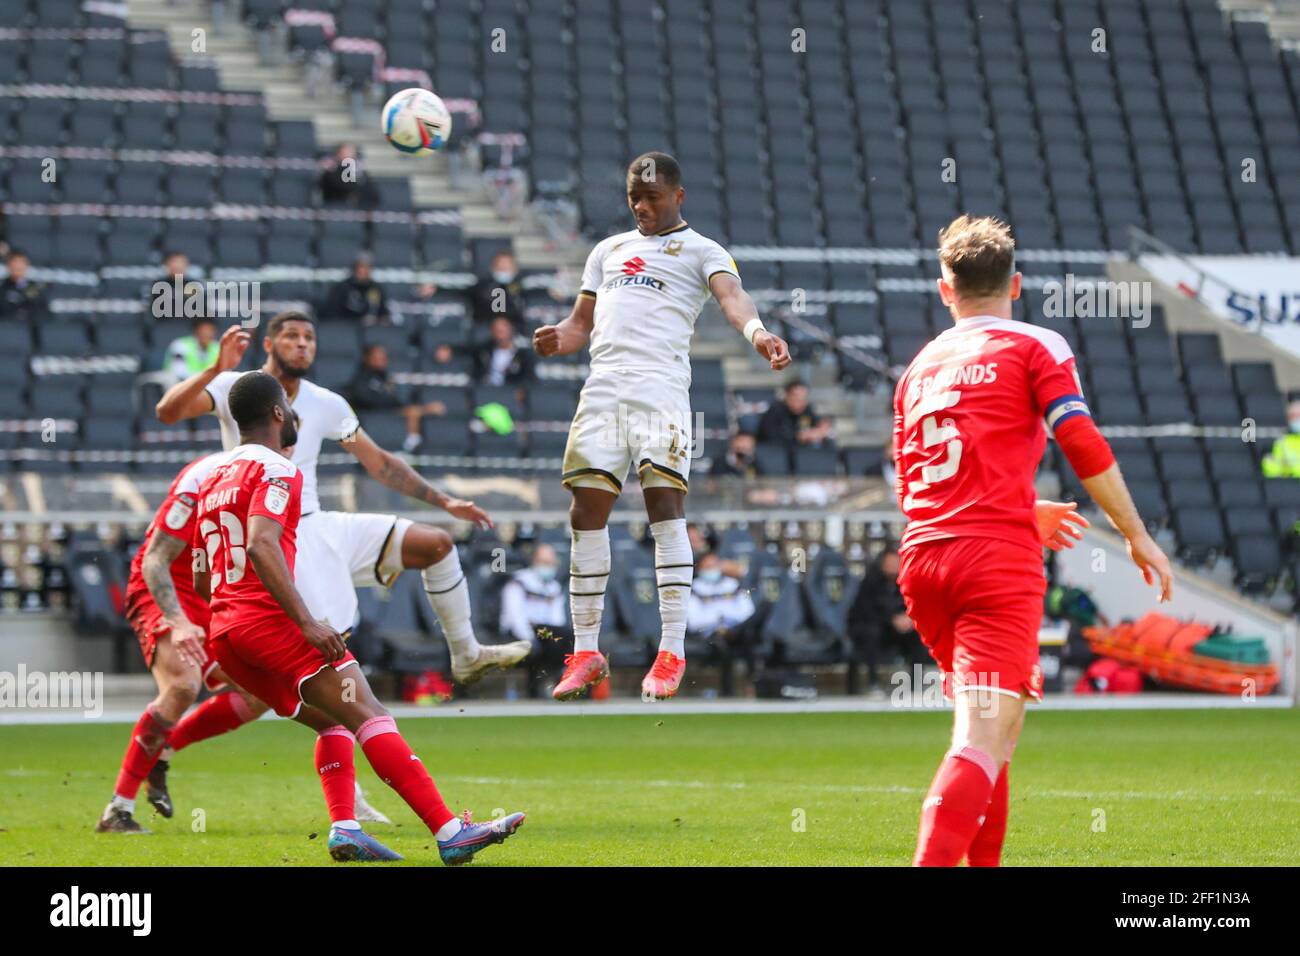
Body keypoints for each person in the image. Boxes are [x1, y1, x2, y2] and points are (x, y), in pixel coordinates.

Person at [893, 214, 1172, 867]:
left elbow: (917, 476)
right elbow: (1077, 437)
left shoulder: (920, 367)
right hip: (993, 563)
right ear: (1015, 285)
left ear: (945, 290)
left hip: (926, 559)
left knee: (1003, 734)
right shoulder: (1033, 345)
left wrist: (1018, 505)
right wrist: (1135, 533)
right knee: (981, 737)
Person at [191, 371, 524, 864]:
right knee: (370, 713)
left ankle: (346, 827)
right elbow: (263, 544)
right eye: (287, 404)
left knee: (334, 723)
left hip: (226, 633)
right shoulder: (279, 471)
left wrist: (225, 628)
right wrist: (305, 622)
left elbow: (201, 577)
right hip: (268, 625)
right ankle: (451, 832)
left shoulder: (211, 478)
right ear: (279, 413)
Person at [532, 151, 791, 701]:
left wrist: (759, 333)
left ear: (678, 196)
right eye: (634, 199)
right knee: (585, 509)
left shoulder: (703, 250)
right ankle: (585, 651)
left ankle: (672, 647)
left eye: (652, 198)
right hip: (603, 386)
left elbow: (732, 297)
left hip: (661, 387)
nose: (642, 207)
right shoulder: (607, 251)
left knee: (663, 507)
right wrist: (559, 338)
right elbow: (581, 325)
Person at [154, 311, 531, 686]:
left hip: (317, 522)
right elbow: (168, 411)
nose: (302, 344)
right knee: (325, 671)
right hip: (276, 535)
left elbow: (379, 463)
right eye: (291, 336)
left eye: (309, 338)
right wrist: (216, 367)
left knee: (437, 544)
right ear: (268, 344)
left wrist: (445, 502)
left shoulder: (326, 403)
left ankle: (466, 654)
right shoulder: (235, 388)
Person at [95, 450, 391, 844]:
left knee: (258, 696)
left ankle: (162, 752)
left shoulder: (269, 475)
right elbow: (154, 561)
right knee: (183, 684)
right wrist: (179, 622)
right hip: (168, 591)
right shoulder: (201, 476)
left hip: (219, 594)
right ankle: (118, 809)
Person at [845, 545, 924, 695]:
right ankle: (873, 683)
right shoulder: (869, 583)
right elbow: (865, 611)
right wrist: (891, 619)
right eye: (890, 563)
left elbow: (916, 603)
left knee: (917, 636)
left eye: (896, 563)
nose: (893, 567)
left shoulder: (907, 581)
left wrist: (908, 618)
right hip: (873, 628)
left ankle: (917, 684)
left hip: (898, 630)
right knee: (871, 634)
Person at [342, 343, 447, 451]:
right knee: (413, 411)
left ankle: (414, 444)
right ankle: (411, 446)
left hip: (388, 409)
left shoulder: (384, 377)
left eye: (383, 357)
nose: (382, 360)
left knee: (416, 410)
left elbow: (394, 399)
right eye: (377, 357)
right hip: (372, 412)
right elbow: (364, 398)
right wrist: (387, 401)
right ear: (368, 358)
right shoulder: (361, 378)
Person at [498, 543, 570, 697]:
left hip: (546, 633)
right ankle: (538, 686)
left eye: (551, 563)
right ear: (534, 561)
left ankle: (556, 682)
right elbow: (515, 616)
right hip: (520, 631)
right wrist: (530, 639)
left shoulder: (554, 587)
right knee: (545, 642)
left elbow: (557, 620)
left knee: (564, 637)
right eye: (544, 562)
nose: (548, 567)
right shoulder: (518, 582)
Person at [686, 550, 756, 696]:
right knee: (721, 643)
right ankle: (727, 690)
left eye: (715, 565)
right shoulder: (695, 588)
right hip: (709, 633)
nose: (713, 569)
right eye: (708, 566)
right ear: (700, 569)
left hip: (736, 630)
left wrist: (729, 622)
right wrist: (719, 621)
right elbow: (694, 621)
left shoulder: (732, 585)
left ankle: (753, 683)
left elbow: (748, 611)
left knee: (750, 636)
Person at [756, 381, 833, 450]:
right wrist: (798, 437)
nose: (801, 401)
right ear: (786, 395)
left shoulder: (806, 410)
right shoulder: (774, 411)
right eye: (796, 397)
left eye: (804, 398)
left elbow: (818, 424)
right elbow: (772, 439)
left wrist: (821, 429)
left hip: (801, 455)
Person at [322, 254, 389, 324]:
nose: (364, 271)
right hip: (346, 328)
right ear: (354, 269)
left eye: (368, 268)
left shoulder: (376, 289)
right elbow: (333, 314)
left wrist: (380, 320)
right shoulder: (341, 288)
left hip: (371, 330)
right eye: (361, 267)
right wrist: (358, 320)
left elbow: (383, 314)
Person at [468, 250, 527, 329]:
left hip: (515, 329)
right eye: (500, 267)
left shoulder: (523, 288)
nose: (503, 270)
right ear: (492, 268)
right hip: (485, 328)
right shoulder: (481, 287)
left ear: (515, 269)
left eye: (506, 267)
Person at [473, 315, 534, 386]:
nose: (500, 335)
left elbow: (529, 379)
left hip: (511, 392)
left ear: (511, 330)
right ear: (492, 333)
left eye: (502, 331)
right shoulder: (484, 353)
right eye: (497, 331)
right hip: (488, 391)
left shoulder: (523, 355)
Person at [319, 142, 379, 208]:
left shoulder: (360, 173)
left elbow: (372, 194)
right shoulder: (331, 172)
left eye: (352, 153)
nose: (350, 156)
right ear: (338, 154)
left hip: (357, 210)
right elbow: (343, 188)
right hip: (335, 208)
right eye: (345, 153)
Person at [163, 317, 220, 382]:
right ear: (196, 330)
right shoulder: (180, 346)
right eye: (204, 329)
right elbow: (179, 373)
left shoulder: (218, 348)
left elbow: (225, 373)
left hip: (208, 387)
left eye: (211, 330)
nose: (208, 333)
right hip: (181, 387)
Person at [0, 249, 49, 322]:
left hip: (30, 328)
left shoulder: (36, 288)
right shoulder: (2, 287)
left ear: (27, 265)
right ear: (8, 265)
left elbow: (43, 313)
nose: (17, 266)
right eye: (14, 262)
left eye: (21, 262)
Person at [1261, 399, 1300, 478]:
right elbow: (1271, 469)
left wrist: (1288, 467)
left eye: (1299, 415)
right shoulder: (1281, 442)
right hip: (1289, 485)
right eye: (1293, 416)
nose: (1297, 419)